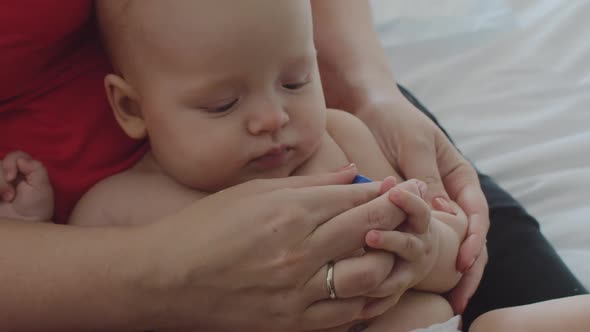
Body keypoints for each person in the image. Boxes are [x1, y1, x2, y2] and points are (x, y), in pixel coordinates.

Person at [0, 0, 585, 331]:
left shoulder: (339, 137)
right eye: (224, 104)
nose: (272, 118)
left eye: (295, 80)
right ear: (131, 108)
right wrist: (31, 227)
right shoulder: (118, 205)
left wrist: (424, 247)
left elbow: (453, 265)